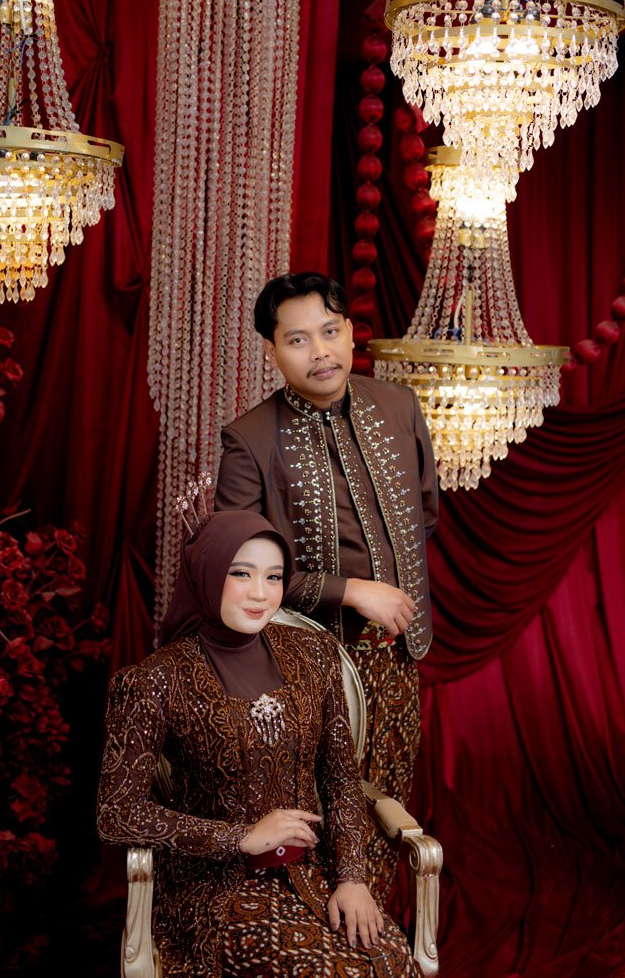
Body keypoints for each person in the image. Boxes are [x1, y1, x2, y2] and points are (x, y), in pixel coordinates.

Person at [97, 510, 419, 977]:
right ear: (207, 574)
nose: (260, 594)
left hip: (315, 873)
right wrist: (242, 837)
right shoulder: (155, 681)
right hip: (217, 891)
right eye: (241, 574)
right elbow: (117, 813)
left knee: (393, 961)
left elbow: (341, 779)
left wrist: (352, 878)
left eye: (273, 577)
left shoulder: (314, 654)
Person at [214, 273, 438, 899]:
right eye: (298, 339)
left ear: (350, 332)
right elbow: (235, 571)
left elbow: (424, 516)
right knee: (317, 818)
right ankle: (319, 931)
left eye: (330, 331)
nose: (321, 352)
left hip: (397, 658)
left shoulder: (399, 406)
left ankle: (376, 931)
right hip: (306, 670)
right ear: (271, 351)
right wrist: (352, 590)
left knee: (387, 808)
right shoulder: (250, 438)